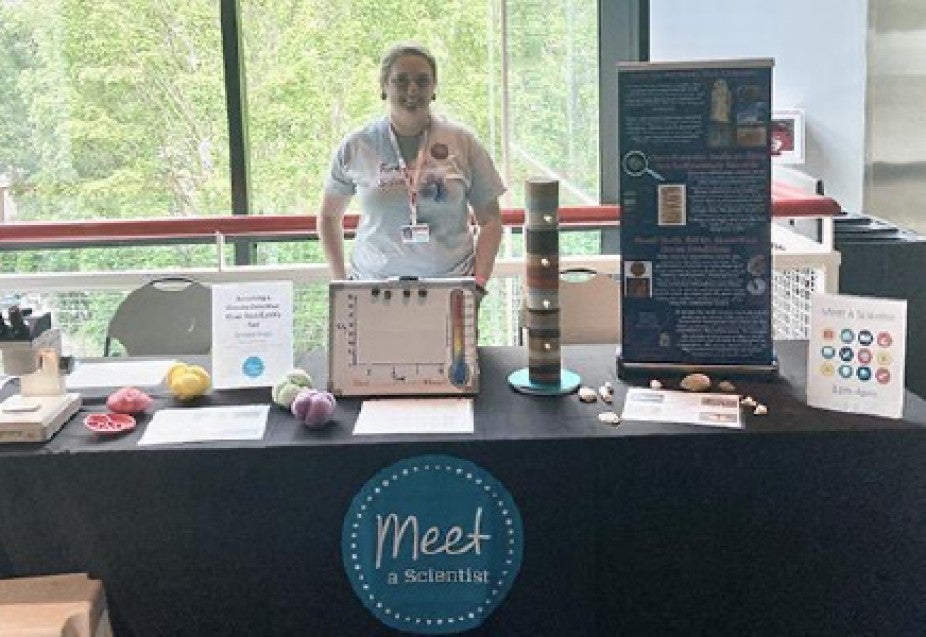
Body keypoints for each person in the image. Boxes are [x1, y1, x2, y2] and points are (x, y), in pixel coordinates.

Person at [317, 42, 505, 299]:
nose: (412, 90)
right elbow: (328, 217)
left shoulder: (463, 143)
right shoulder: (356, 147)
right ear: (384, 86)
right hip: (374, 290)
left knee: (452, 342)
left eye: (422, 81)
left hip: (451, 290)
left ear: (434, 89)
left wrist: (479, 284)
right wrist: (341, 283)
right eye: (401, 81)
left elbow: (491, 221)